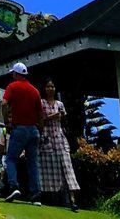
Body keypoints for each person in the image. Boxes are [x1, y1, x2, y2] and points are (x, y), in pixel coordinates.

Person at [2, 61, 42, 205]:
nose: (12, 75)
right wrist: (40, 130)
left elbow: (5, 103)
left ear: (17, 74)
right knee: (33, 163)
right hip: (34, 129)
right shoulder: (35, 90)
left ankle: (13, 185)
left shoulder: (12, 86)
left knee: (11, 159)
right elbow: (40, 112)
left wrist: (7, 121)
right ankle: (36, 195)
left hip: (19, 128)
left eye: (13, 73)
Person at [39, 80, 80, 211]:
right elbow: (39, 120)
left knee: (67, 168)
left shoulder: (60, 104)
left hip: (59, 138)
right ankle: (50, 199)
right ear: (44, 88)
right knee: (47, 170)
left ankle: (72, 200)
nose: (50, 89)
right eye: (48, 86)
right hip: (46, 138)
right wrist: (52, 117)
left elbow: (64, 119)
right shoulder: (41, 103)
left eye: (52, 86)